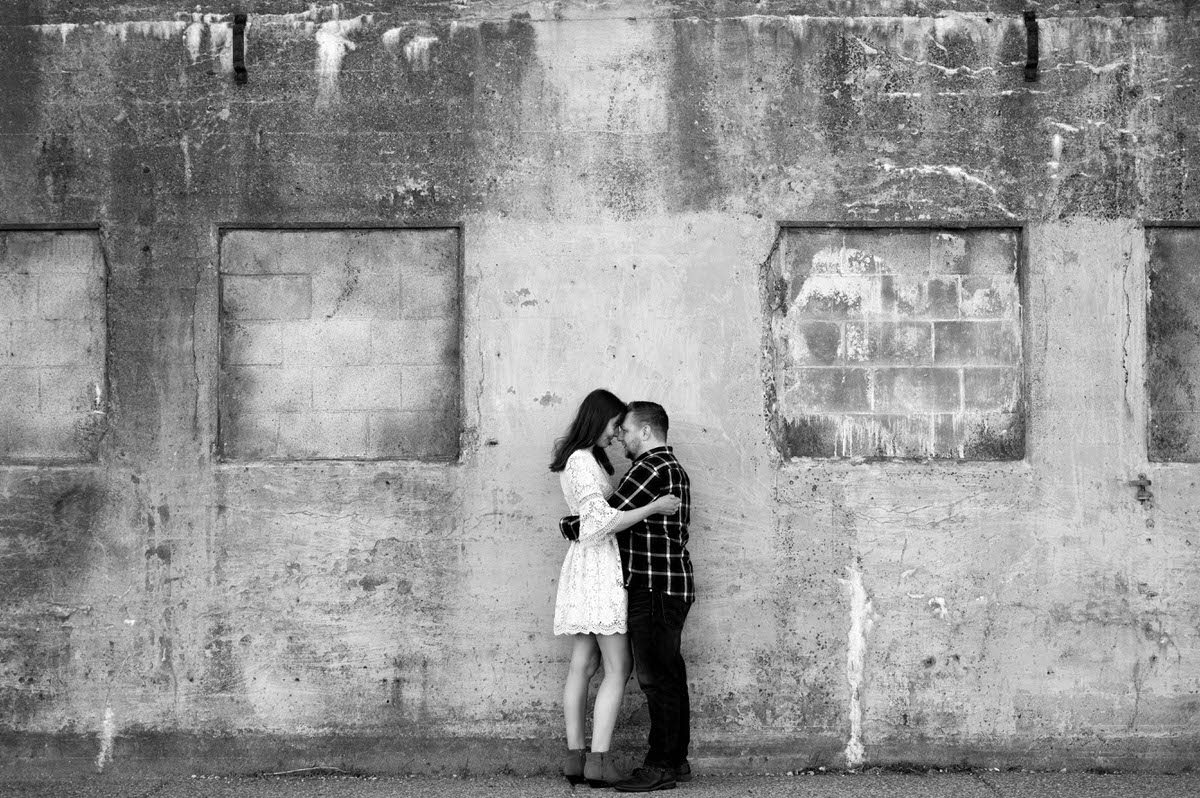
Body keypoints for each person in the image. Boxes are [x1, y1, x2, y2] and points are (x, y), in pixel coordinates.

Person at [550, 389, 682, 788]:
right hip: (599, 566)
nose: (616, 434)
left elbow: (592, 518)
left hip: (589, 562)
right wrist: (652, 507)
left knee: (584, 664)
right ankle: (598, 761)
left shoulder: (582, 459)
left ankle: (576, 758)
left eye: (621, 428)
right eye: (613, 426)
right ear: (598, 420)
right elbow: (600, 522)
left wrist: (571, 524)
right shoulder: (582, 460)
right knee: (617, 667)